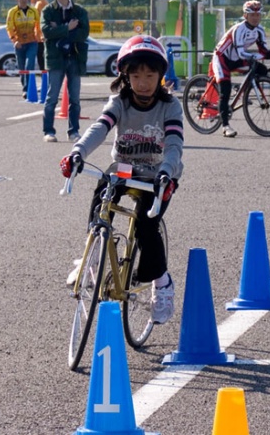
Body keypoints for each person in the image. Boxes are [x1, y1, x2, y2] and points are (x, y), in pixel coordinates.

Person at [59, 35, 183, 325]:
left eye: (150, 75)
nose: (143, 82)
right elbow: (100, 128)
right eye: (136, 75)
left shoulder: (170, 107)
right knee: (103, 193)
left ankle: (162, 283)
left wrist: (168, 169)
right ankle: (90, 254)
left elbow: (175, 144)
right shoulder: (120, 102)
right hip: (124, 169)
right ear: (125, 76)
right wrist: (77, 151)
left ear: (160, 76)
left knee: (146, 226)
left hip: (158, 175)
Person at [211, 0, 270, 137]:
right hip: (222, 58)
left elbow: (263, 49)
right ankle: (225, 126)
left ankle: (243, 91)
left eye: (258, 15)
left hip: (236, 59)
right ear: (245, 16)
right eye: (252, 15)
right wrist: (260, 55)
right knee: (225, 89)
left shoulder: (259, 30)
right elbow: (242, 52)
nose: (255, 18)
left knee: (261, 70)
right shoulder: (239, 29)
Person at [41, 0, 89, 142]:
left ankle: (74, 131)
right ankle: (49, 131)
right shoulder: (47, 10)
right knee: (51, 97)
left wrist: (60, 31)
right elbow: (46, 31)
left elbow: (84, 33)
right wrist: (67, 27)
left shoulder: (79, 11)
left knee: (74, 98)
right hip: (55, 59)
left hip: (75, 57)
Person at [6, 0, 40, 99]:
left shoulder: (33, 11)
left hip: (31, 42)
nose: (23, 0)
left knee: (29, 65)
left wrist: (38, 37)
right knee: (21, 67)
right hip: (19, 43)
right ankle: (24, 86)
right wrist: (14, 40)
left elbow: (38, 25)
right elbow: (9, 27)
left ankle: (27, 89)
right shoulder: (12, 12)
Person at [31, 0, 49, 71]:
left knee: (41, 61)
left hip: (40, 37)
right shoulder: (45, 2)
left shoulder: (40, 3)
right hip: (43, 36)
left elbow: (35, 20)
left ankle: (45, 82)